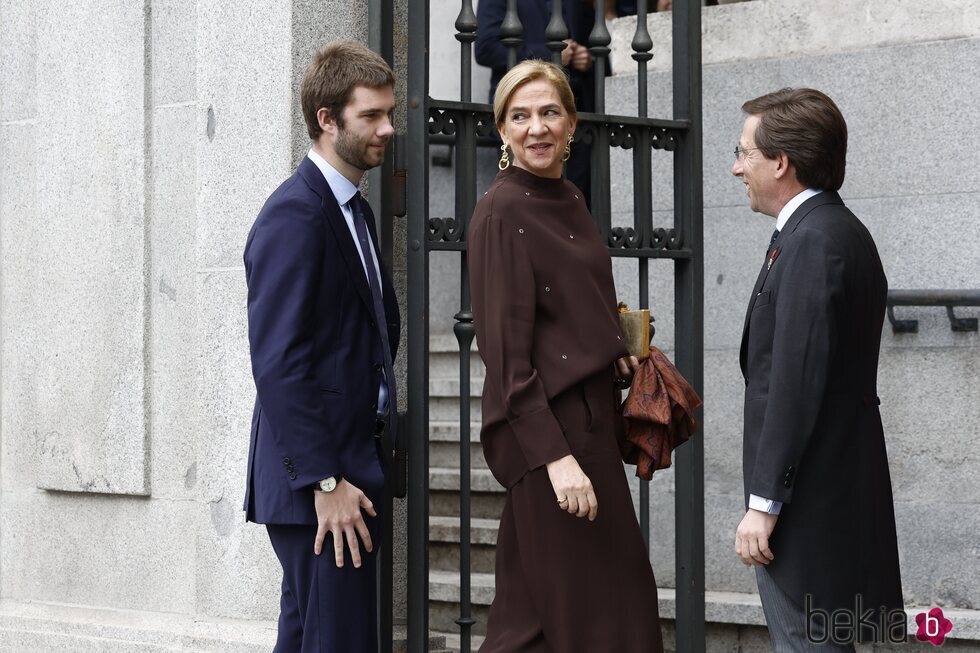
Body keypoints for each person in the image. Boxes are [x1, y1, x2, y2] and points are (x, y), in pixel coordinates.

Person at [468, 59, 664, 653]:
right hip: (552, 438)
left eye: (549, 112)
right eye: (520, 116)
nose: (536, 128)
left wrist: (618, 347)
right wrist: (556, 460)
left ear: (572, 122)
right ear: (502, 130)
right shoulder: (501, 212)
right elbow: (507, 357)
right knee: (612, 618)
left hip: (592, 422)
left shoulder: (569, 196)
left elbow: (569, 305)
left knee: (529, 626)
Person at [732, 88, 903, 651]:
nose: (738, 169)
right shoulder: (833, 231)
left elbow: (794, 384)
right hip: (831, 498)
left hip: (807, 510)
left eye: (744, 154)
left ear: (780, 162)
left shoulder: (813, 241)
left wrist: (763, 505)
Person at [242, 40, 400, 653]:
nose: (387, 128)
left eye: (389, 113)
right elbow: (278, 363)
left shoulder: (351, 208)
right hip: (323, 488)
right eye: (371, 116)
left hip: (346, 475)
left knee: (310, 640)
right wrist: (324, 482)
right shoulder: (295, 215)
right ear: (326, 119)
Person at [475, 0, 601, 207]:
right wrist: (551, 54)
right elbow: (486, 48)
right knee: (526, 199)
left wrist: (586, 59)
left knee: (573, 204)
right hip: (523, 112)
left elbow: (595, 42)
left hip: (577, 116)